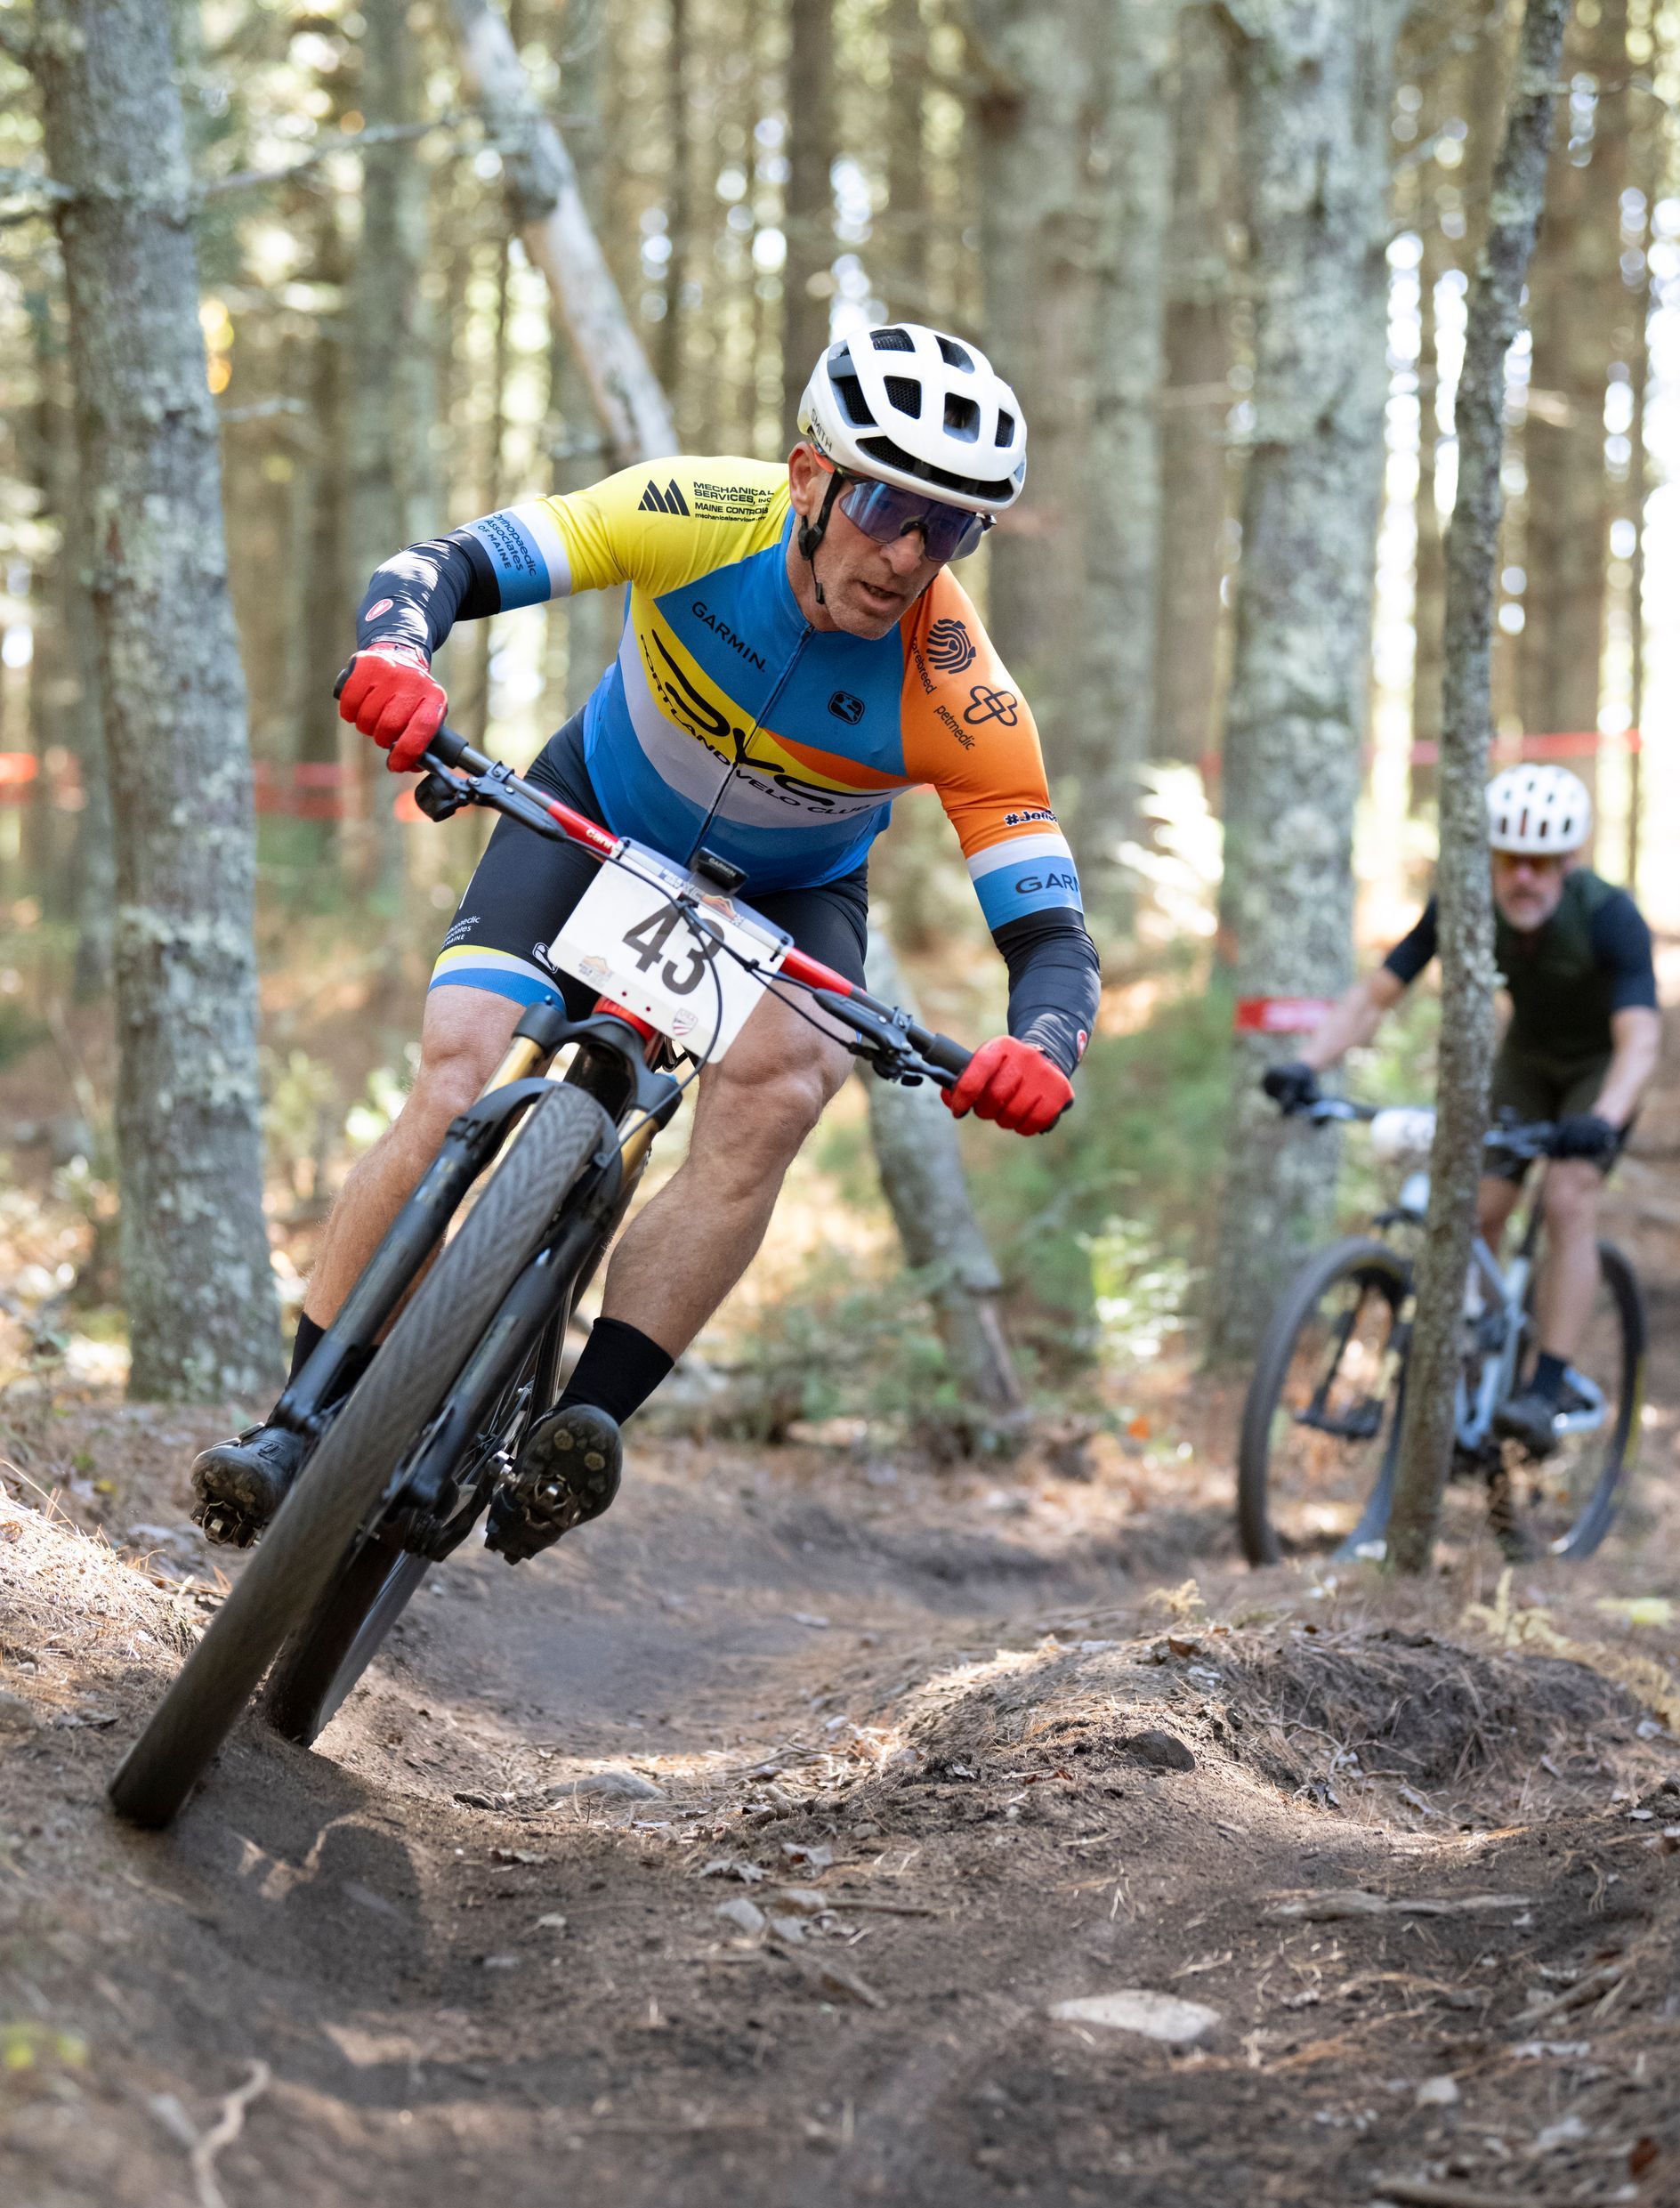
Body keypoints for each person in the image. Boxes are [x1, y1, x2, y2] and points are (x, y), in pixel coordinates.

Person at [192, 324, 1098, 1556]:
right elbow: (441, 565)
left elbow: (1050, 931)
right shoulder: (694, 512)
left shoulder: (961, 690)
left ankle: (581, 1429)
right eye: (886, 506)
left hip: (787, 900)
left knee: (784, 1090)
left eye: (947, 530)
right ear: (809, 477)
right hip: (593, 813)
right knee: (458, 1069)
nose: (905, 555)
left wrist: (1043, 1045)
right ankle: (297, 1425)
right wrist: (398, 651)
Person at [1263, 763, 1660, 1455]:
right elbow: (1376, 995)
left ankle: (1545, 1387)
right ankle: (1478, 1357)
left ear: (1568, 861)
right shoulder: (1464, 902)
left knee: (1567, 1197)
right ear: (1490, 859)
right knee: (1478, 1207)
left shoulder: (1608, 916)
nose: (1524, 878)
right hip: (1527, 1062)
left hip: (1601, 1069)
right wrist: (1308, 1064)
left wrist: (1604, 1118)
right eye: (1510, 860)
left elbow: (1640, 1038)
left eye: (1541, 862)